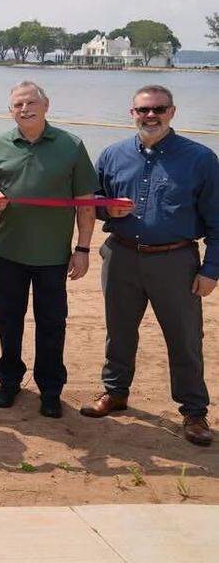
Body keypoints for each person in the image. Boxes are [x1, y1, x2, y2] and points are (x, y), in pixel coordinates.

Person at [80, 85, 218, 446]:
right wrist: (105, 208)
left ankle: (193, 411)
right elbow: (92, 200)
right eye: (143, 110)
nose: (150, 116)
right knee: (119, 331)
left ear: (172, 112)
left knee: (185, 338)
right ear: (132, 113)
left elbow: (217, 219)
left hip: (176, 261)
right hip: (121, 255)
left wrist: (210, 269)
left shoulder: (200, 159)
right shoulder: (112, 155)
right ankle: (116, 392)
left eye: (158, 109)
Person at [0, 81, 96, 419]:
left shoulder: (71, 146)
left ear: (46, 106)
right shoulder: (0, 144)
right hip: (10, 252)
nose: (25, 109)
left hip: (53, 256)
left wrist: (83, 248)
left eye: (31, 103)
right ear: (11, 110)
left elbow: (86, 202)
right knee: (9, 319)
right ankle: (10, 381)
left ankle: (50, 389)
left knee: (52, 323)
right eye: (18, 105)